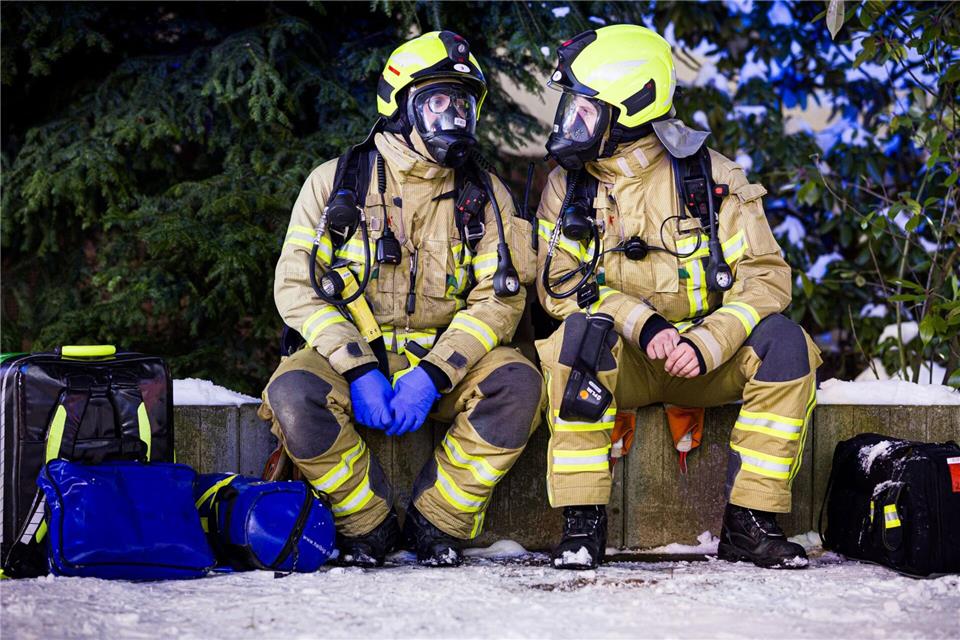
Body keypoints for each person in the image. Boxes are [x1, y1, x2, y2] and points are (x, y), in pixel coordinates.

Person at [534, 24, 821, 570]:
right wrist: (642, 324)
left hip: (705, 363)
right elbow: (558, 286)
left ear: (630, 108)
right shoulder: (568, 188)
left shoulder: (713, 178)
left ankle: (750, 523)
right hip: (621, 362)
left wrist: (710, 341)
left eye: (585, 110)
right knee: (576, 339)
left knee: (787, 345)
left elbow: (766, 277)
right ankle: (582, 524)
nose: (569, 122)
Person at [258, 30, 542, 568]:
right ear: (399, 105)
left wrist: (433, 374)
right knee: (292, 392)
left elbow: (499, 301)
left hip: (446, 366)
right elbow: (297, 287)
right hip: (351, 359)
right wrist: (360, 369)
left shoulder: (485, 196)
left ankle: (438, 521)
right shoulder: (335, 184)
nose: (454, 117)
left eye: (463, 105)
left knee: (519, 382)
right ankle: (366, 524)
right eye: (438, 103)